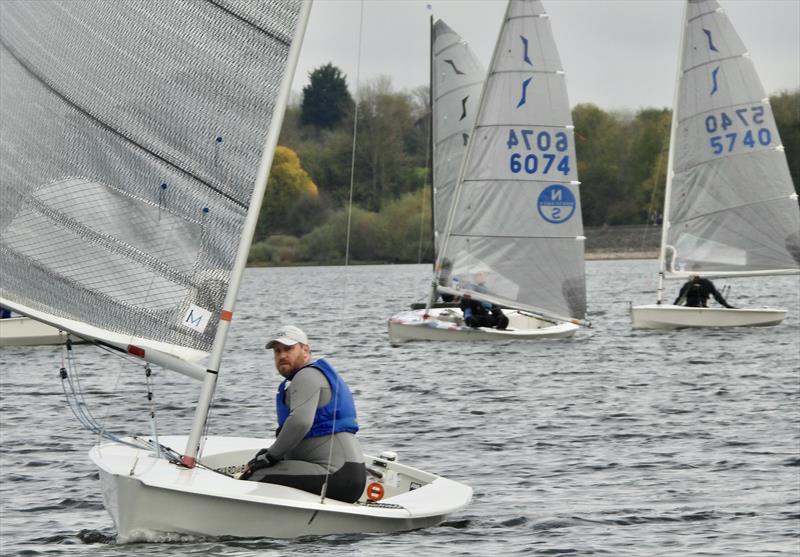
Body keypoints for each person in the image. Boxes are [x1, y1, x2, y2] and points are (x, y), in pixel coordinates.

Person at [240, 325, 366, 503]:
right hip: (347, 473)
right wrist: (273, 453)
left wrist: (269, 457)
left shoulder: (306, 376)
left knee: (256, 475)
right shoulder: (311, 377)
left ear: (305, 350)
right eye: (277, 351)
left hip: (336, 474)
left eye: (289, 349)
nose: (282, 355)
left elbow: (300, 423)